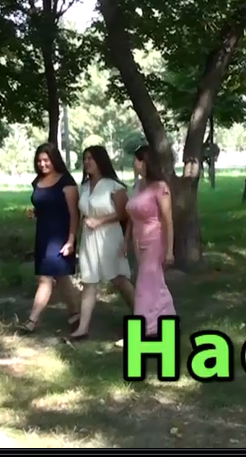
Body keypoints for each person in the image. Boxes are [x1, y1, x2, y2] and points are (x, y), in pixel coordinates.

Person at [66, 146, 136, 342]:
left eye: (91, 158)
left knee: (119, 279)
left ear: (100, 161)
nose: (87, 162)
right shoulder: (85, 186)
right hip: (89, 238)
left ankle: (141, 314)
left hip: (109, 236)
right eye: (85, 158)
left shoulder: (113, 186)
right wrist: (76, 237)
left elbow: (124, 213)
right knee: (89, 281)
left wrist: (100, 221)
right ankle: (82, 329)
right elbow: (81, 213)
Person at [22, 143, 82, 333]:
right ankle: (76, 312)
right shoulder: (38, 181)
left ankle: (32, 320)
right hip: (43, 235)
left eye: (46, 160)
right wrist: (34, 212)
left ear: (54, 159)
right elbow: (44, 205)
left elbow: (74, 214)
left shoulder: (66, 182)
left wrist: (71, 240)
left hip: (61, 236)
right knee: (62, 277)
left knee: (45, 278)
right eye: (39, 161)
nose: (42, 164)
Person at [122, 144, 176, 340]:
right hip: (139, 241)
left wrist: (169, 250)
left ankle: (144, 326)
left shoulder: (160, 188)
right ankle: (164, 317)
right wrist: (126, 240)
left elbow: (168, 220)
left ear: (145, 162)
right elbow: (131, 216)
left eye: (137, 160)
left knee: (144, 284)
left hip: (155, 241)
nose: (134, 163)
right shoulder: (137, 187)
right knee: (154, 282)